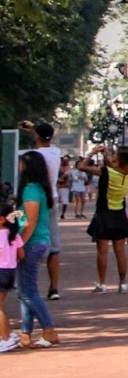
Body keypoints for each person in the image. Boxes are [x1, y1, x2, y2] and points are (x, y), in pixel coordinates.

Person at [78, 143, 128, 293]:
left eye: (115, 154)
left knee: (102, 252)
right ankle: (123, 283)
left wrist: (91, 153)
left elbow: (82, 167)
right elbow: (114, 169)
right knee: (120, 251)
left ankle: (102, 283)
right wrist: (105, 155)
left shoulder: (105, 172)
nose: (113, 156)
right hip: (120, 214)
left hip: (104, 213)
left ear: (120, 158)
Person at [15, 150, 58, 347]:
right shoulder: (40, 188)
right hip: (39, 241)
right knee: (25, 290)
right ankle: (26, 333)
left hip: (32, 243)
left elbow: (31, 221)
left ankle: (49, 330)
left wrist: (18, 244)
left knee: (28, 291)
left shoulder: (31, 189)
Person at [19, 121, 63, 301]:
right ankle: (54, 287)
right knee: (53, 245)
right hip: (52, 197)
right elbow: (43, 139)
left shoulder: (34, 156)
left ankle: (28, 285)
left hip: (36, 198)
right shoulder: (56, 152)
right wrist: (34, 129)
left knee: (30, 239)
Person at [0, 200, 22, 352]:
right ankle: (9, 334)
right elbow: (21, 254)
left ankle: (6, 339)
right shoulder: (13, 235)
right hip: (10, 271)